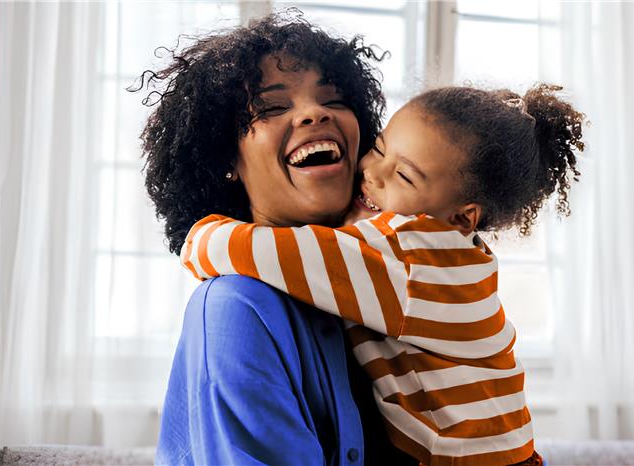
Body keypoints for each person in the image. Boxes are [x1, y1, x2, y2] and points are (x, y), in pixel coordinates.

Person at [180, 84, 585, 465]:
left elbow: (258, 251)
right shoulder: (450, 257)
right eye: (378, 149)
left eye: (404, 176)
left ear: (461, 217)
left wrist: (200, 236)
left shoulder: (408, 258)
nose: (372, 173)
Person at [133, 12, 417, 465]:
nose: (314, 112)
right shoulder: (235, 307)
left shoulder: (386, 279)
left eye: (334, 98)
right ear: (225, 158)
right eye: (271, 107)